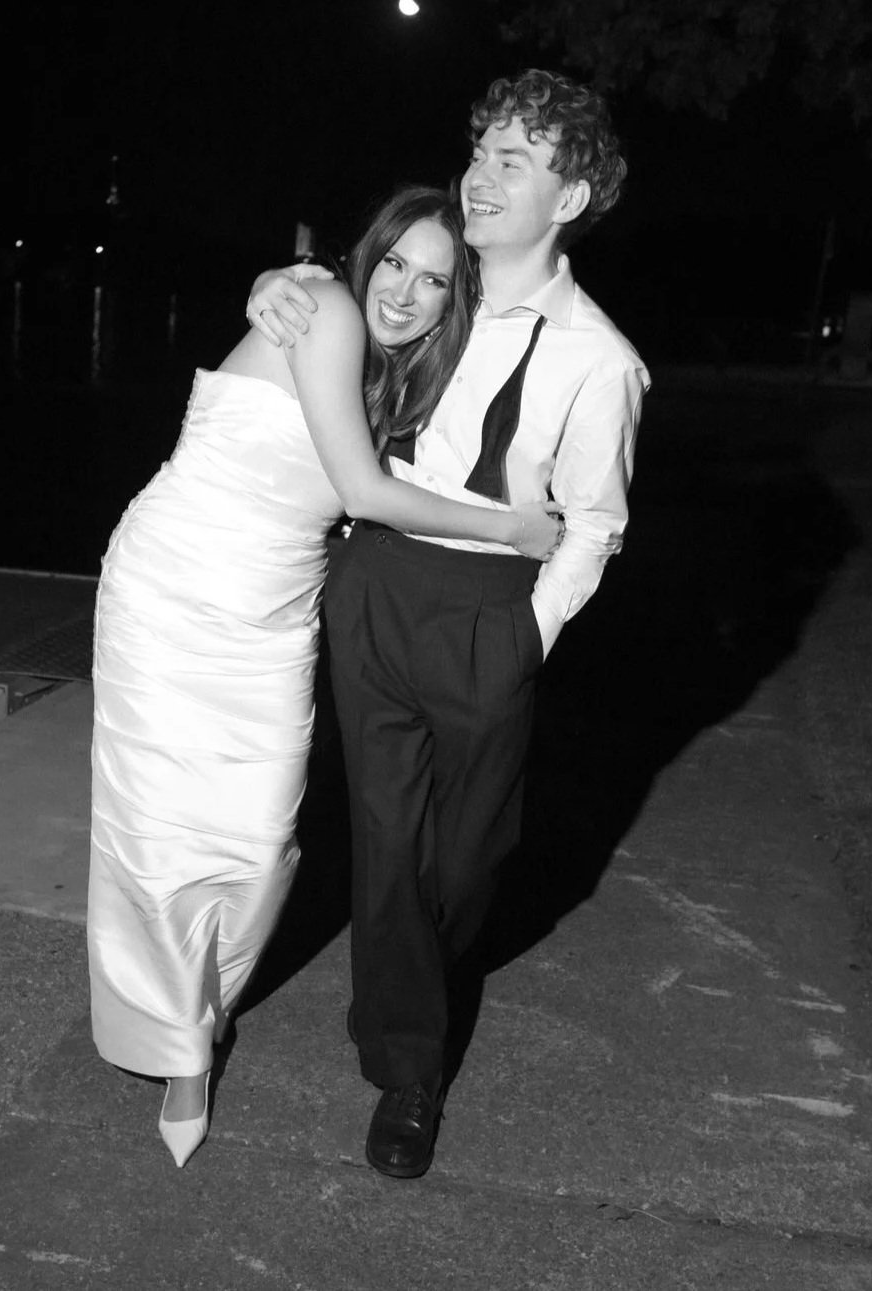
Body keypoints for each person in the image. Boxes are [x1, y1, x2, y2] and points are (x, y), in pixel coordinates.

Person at [87, 185, 563, 1170]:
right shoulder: (326, 307)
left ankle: (196, 1001)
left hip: (273, 611)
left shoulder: (390, 374)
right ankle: (181, 1046)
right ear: (364, 255)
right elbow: (359, 491)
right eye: (394, 261)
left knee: (255, 838)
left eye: (434, 279)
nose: (404, 289)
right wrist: (514, 530)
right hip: (174, 588)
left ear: (451, 300)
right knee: (158, 831)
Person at [249, 68, 650, 1179]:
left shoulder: (599, 359)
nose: (477, 175)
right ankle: (407, 1073)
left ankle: (416, 982)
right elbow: (336, 302)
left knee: (462, 866)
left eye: (511, 160)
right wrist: (272, 285)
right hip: (375, 583)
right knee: (384, 845)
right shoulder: (427, 278)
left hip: (487, 616)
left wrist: (527, 634)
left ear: (567, 198)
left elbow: (594, 525)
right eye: (479, 150)